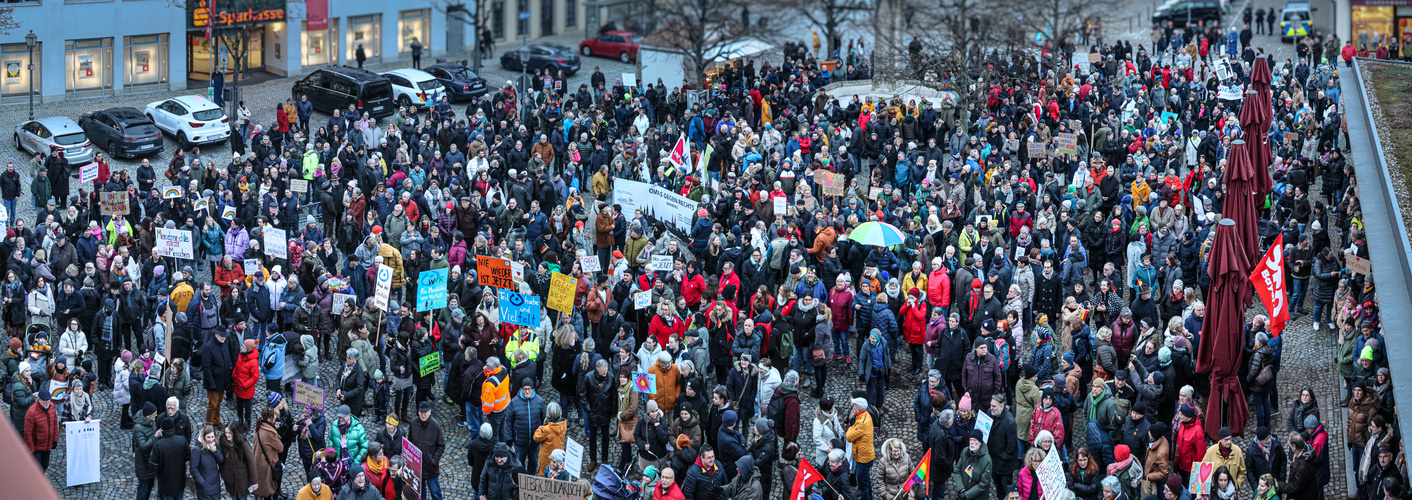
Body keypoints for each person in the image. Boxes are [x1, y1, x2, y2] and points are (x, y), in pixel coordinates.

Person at [408, 401, 447, 500]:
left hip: (430, 468)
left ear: (429, 412)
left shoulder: (435, 426)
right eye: (421, 412)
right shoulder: (413, 423)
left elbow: (441, 445)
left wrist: (434, 460)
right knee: (420, 494)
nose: (423, 414)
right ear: (418, 412)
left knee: (435, 492)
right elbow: (410, 442)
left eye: (425, 412)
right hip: (417, 468)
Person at [150, 416, 190, 500]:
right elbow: (188, 457)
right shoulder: (182, 440)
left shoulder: (158, 444)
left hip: (165, 482)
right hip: (179, 480)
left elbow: (153, 464)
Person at [846, 397, 876, 500]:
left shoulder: (862, 422)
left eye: (853, 406)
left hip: (863, 458)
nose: (852, 407)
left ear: (858, 408)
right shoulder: (864, 415)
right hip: (865, 455)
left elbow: (849, 437)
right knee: (866, 480)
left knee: (862, 483)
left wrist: (850, 426)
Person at [24, 388, 58, 471]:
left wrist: (55, 440)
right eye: (44, 400)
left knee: (45, 465)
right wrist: (31, 449)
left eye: (48, 400)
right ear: (39, 400)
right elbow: (27, 433)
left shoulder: (52, 407)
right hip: (37, 447)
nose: (47, 402)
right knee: (37, 468)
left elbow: (54, 424)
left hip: (48, 445)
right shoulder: (32, 412)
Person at [191, 425, 225, 500]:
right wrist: (203, 483)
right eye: (208, 437)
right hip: (204, 488)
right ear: (204, 437)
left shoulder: (215, 445)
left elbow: (221, 460)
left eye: (212, 437)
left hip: (215, 485)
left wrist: (215, 451)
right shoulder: (197, 450)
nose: (210, 440)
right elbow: (193, 469)